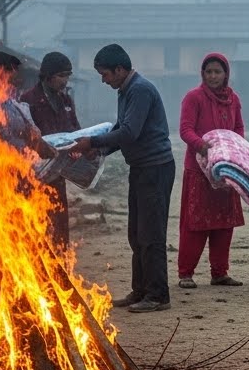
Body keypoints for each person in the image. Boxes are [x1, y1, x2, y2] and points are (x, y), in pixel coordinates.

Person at [69, 44, 175, 313]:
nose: (103, 80)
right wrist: (99, 148)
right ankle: (141, 290)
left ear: (120, 69)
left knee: (151, 234)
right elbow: (121, 129)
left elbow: (129, 132)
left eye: (105, 74)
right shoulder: (126, 90)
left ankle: (158, 295)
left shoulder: (139, 90)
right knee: (137, 234)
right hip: (141, 167)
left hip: (155, 168)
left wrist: (92, 141)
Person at [177, 53, 246, 289]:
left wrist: (236, 153)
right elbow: (185, 130)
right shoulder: (193, 98)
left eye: (218, 71)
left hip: (226, 170)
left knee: (224, 224)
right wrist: (202, 146)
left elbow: (238, 128)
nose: (213, 76)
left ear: (226, 73)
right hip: (199, 170)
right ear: (203, 74)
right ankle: (186, 273)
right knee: (195, 224)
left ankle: (219, 273)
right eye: (209, 72)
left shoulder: (233, 99)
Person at [21, 51, 81, 250]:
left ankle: (60, 265)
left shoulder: (66, 101)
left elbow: (75, 130)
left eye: (68, 76)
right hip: (35, 174)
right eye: (61, 76)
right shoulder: (28, 100)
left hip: (58, 172)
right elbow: (24, 136)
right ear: (48, 76)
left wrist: (81, 147)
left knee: (59, 222)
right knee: (36, 224)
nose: (65, 81)